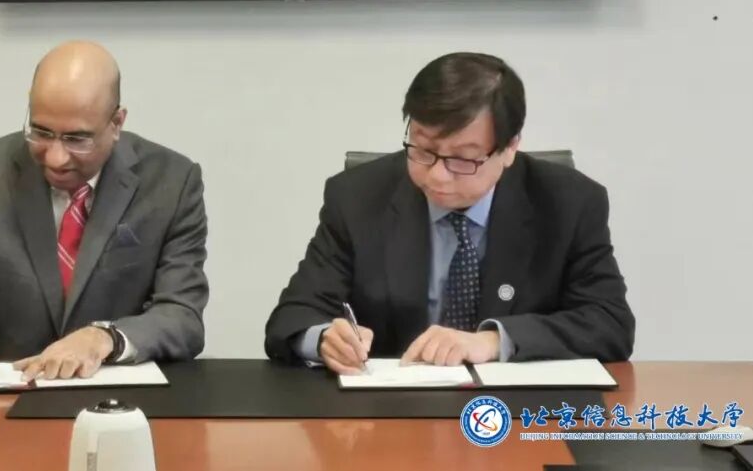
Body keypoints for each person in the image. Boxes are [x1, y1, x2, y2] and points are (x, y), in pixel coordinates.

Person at [264, 52, 634, 374]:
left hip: (519, 414)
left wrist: (493, 341)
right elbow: (292, 316)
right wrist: (324, 339)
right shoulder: (357, 197)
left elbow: (609, 324)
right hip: (390, 414)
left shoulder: (568, 203)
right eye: (424, 150)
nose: (437, 176)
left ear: (509, 148)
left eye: (462, 159)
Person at [0, 41, 208, 379]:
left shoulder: (172, 183)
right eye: (41, 132)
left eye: (77, 139)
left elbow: (181, 315)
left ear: (116, 123)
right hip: (4, 393)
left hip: (117, 395)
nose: (56, 158)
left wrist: (105, 338)